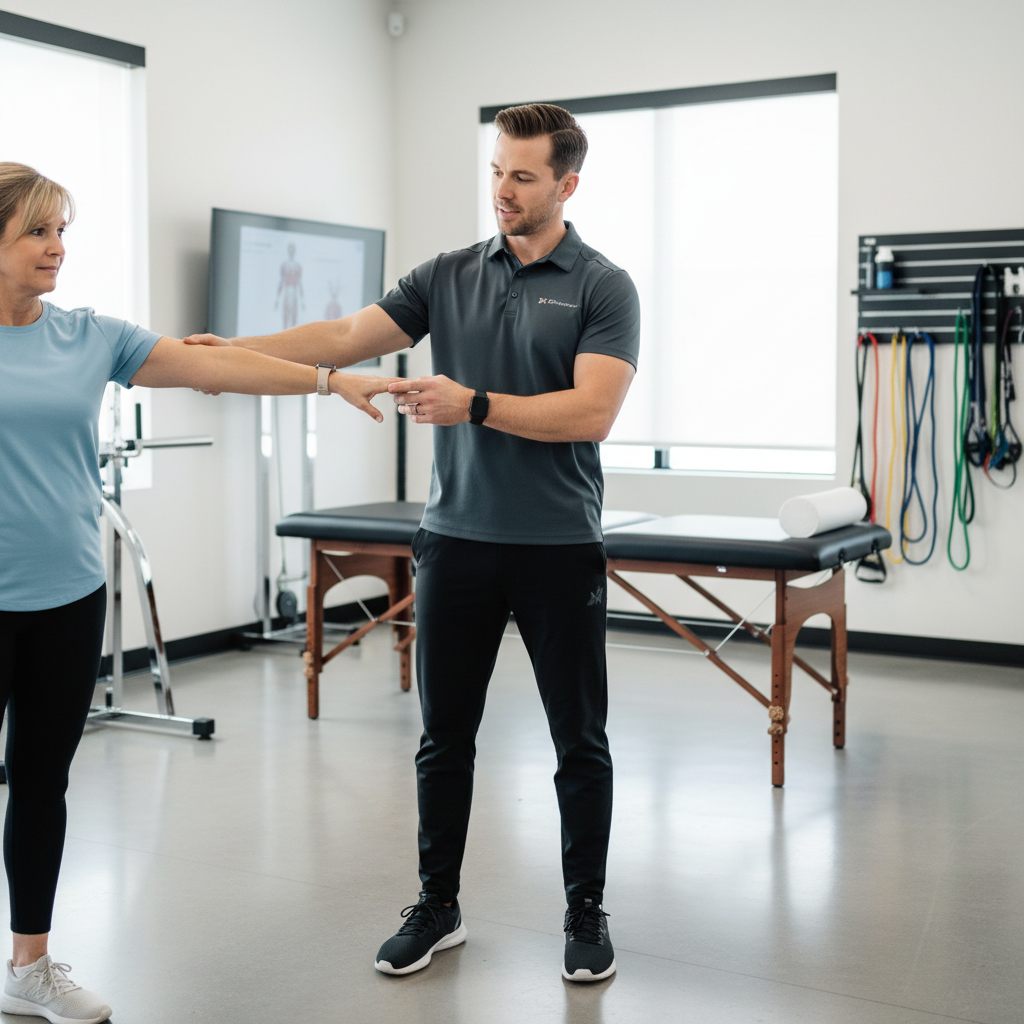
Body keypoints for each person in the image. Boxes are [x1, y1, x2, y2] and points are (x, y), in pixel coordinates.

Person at [186, 103, 640, 983]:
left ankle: (585, 909)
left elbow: (593, 411)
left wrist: (469, 402)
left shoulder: (602, 285)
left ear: (567, 184)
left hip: (557, 548)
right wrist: (229, 349)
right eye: (497, 171)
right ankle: (439, 904)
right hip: (455, 543)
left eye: (523, 176)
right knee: (444, 738)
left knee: (579, 740)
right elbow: (343, 338)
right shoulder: (448, 273)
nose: (502, 191)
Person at [0, 162, 395, 1024]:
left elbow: (213, 369)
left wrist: (332, 381)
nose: (58, 248)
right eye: (38, 232)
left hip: (66, 591)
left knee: (41, 781)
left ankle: (28, 966)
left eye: (63, 230)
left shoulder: (88, 335)